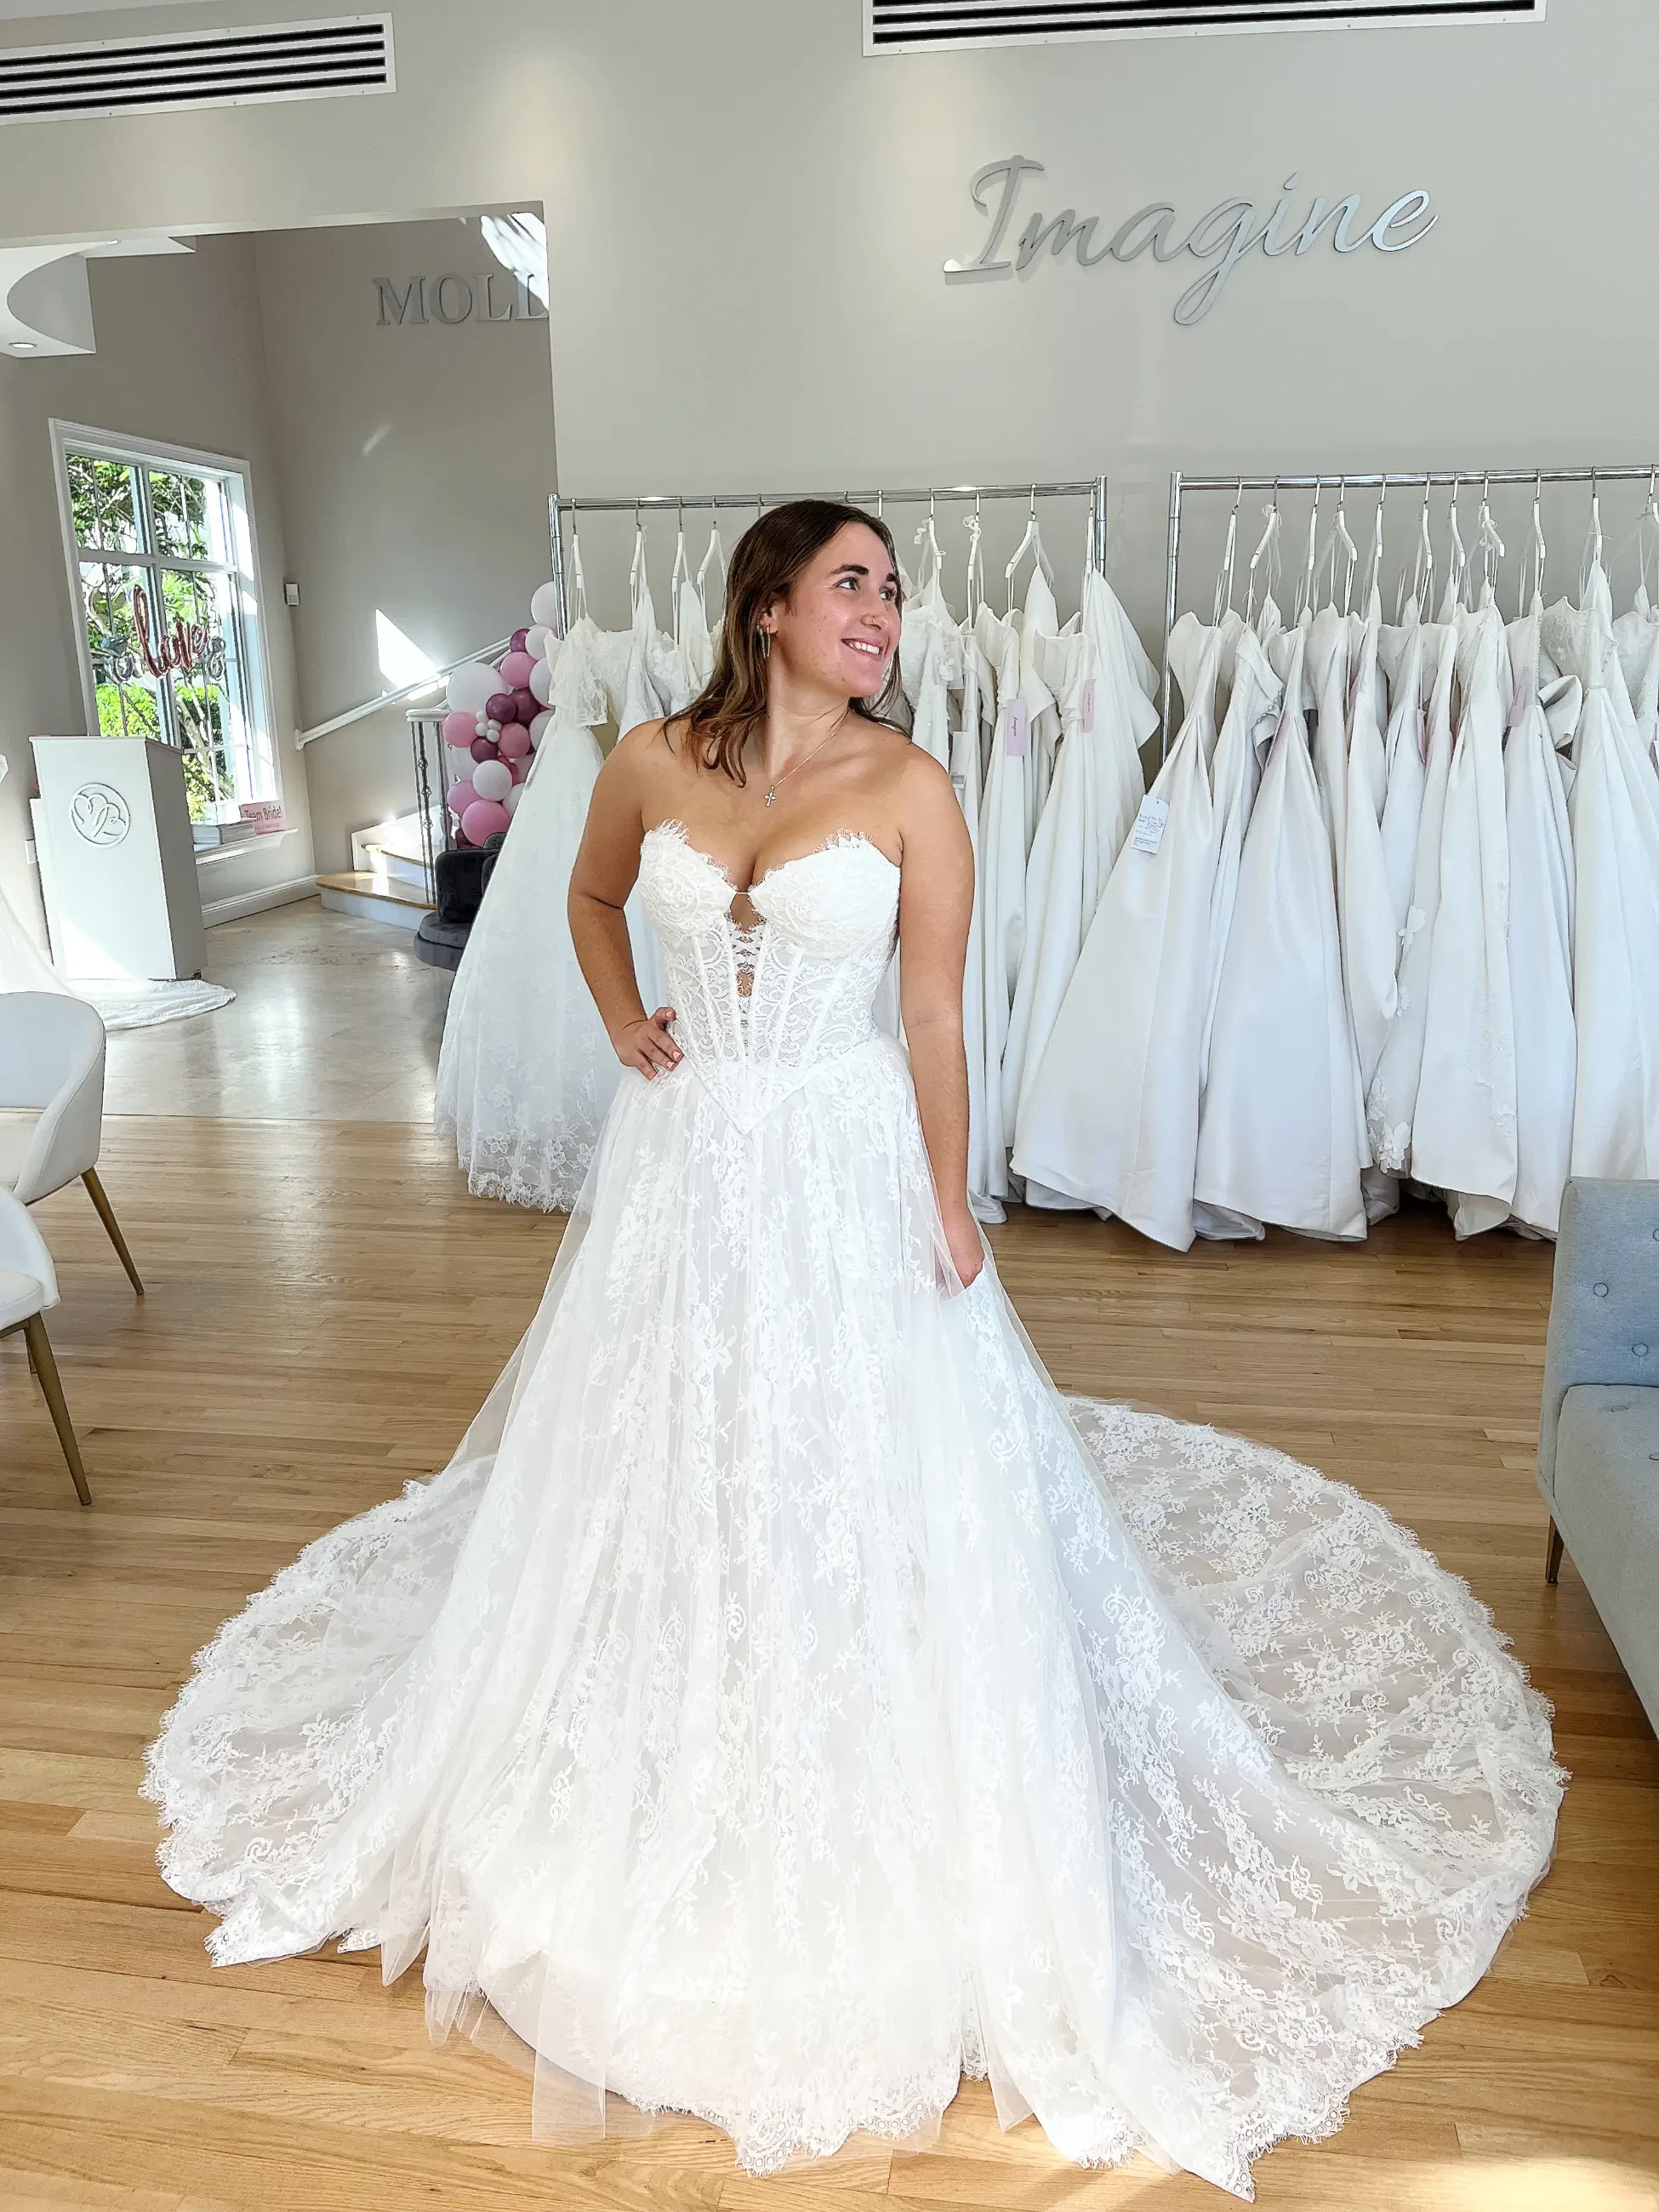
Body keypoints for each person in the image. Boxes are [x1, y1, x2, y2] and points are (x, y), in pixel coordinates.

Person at [145, 502, 1563, 2197]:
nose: (884, 612)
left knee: (863, 1465)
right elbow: (591, 901)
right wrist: (621, 1018)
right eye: (852, 585)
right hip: (682, 1163)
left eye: (893, 589)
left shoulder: (913, 791)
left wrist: (951, 1203)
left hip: (841, 1157)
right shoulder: (655, 759)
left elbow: (937, 1010)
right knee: (671, 1447)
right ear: (768, 605)